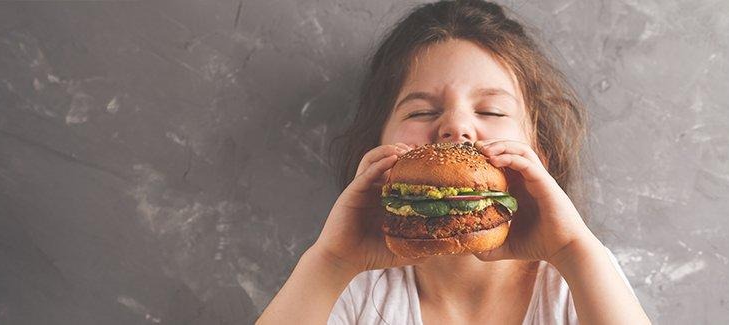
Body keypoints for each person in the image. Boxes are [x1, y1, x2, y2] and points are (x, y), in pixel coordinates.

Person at [257, 1, 652, 324]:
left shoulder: (577, 279)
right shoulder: (355, 289)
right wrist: (332, 261)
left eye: (493, 111)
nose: (457, 127)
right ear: (376, 151)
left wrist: (571, 249)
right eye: (420, 112)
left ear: (539, 155)